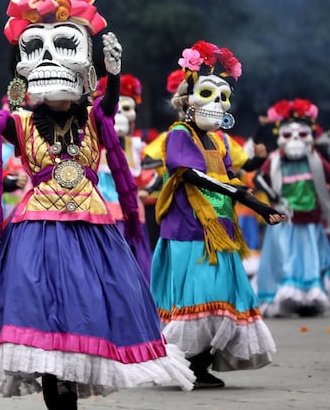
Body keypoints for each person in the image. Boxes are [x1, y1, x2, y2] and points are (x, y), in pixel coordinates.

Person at [0, 0, 194, 410]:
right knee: (40, 303)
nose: (50, 63)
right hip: (36, 227)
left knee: (90, 302)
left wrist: (116, 70)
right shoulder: (19, 122)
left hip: (91, 227)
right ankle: (56, 384)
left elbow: (110, 102)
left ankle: (69, 382)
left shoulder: (95, 117)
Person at [151, 41, 282, 390]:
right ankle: (182, 363)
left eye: (222, 97)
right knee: (198, 299)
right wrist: (249, 200)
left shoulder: (221, 142)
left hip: (220, 231)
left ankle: (201, 364)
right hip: (188, 231)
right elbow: (192, 175)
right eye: (209, 94)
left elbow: (232, 177)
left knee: (227, 297)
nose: (218, 104)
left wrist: (256, 202)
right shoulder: (178, 135)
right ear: (187, 101)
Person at [254, 98, 330, 316]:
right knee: (285, 259)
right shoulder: (275, 160)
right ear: (280, 136)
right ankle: (285, 298)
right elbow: (260, 178)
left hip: (311, 219)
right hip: (284, 220)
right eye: (288, 134)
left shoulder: (315, 160)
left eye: (302, 134)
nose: (295, 139)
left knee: (310, 258)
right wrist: (274, 197)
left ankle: (310, 299)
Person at [94, 74, 153, 280]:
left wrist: (146, 189)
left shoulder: (138, 148)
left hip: (131, 213)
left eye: (127, 108)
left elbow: (147, 178)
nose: (120, 114)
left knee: (135, 265)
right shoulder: (93, 145)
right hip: (102, 213)